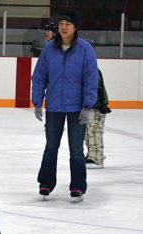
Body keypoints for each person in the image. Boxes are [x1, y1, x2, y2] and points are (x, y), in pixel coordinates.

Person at [31, 10, 98, 202]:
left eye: (68, 24)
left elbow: (91, 79)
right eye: (61, 23)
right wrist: (37, 101)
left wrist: (88, 105)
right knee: (51, 147)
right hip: (53, 107)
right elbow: (40, 76)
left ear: (75, 27)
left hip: (77, 107)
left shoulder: (85, 50)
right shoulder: (49, 49)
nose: (63, 27)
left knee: (76, 150)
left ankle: (77, 186)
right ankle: (45, 183)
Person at [85, 68, 111, 169]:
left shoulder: (92, 70)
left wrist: (99, 105)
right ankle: (92, 154)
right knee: (88, 132)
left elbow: (95, 88)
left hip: (96, 107)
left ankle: (97, 158)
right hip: (90, 106)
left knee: (94, 131)